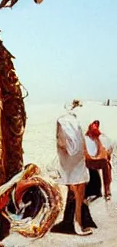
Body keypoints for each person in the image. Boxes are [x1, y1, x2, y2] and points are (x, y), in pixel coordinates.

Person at [56, 100, 93, 235]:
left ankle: (75, 222)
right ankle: (77, 223)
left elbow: (60, 141)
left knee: (74, 188)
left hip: (68, 158)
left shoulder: (63, 120)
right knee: (79, 190)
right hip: (75, 159)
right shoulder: (75, 122)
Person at [85, 120, 112, 201]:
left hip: (98, 160)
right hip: (88, 160)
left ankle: (107, 191)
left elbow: (107, 151)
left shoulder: (101, 138)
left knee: (106, 165)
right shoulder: (85, 138)